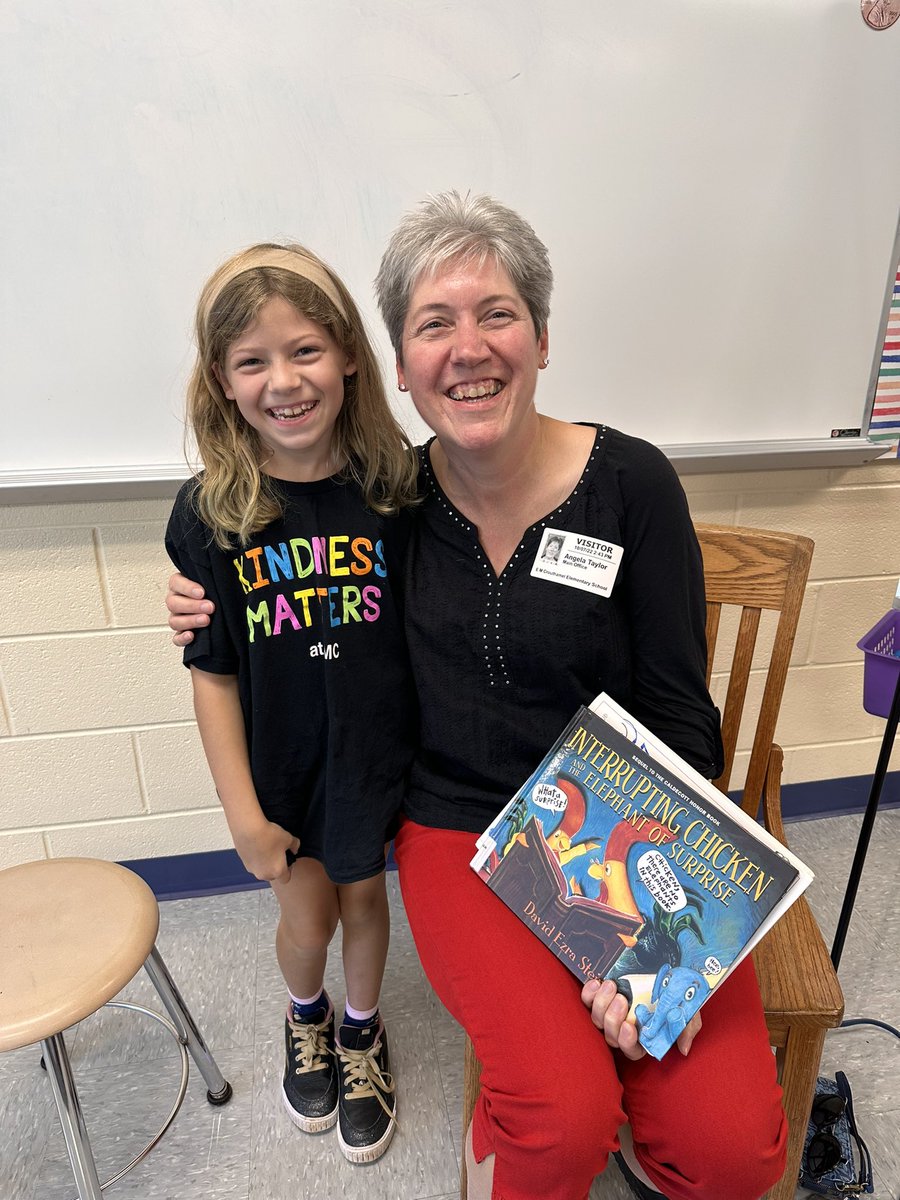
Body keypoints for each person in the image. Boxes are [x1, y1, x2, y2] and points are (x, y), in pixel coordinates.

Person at [166, 196, 788, 1200]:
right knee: (560, 1123)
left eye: (496, 313)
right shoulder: (389, 506)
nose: (468, 349)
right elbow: (280, 565)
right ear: (401, 367)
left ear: (541, 337)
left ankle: (634, 1102)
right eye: (433, 324)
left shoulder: (633, 487)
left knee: (730, 1155)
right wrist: (202, 595)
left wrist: (638, 943)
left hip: (633, 830)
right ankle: (538, 1118)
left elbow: (682, 722)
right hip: (463, 830)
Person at [164, 242, 419, 1164]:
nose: (285, 380)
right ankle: (305, 1015)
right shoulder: (210, 516)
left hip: (377, 766)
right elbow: (215, 675)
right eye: (253, 361)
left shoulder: (401, 492)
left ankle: (360, 1031)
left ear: (350, 353)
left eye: (306, 350)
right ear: (223, 383)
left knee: (366, 909)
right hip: (282, 776)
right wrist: (241, 812)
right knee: (306, 920)